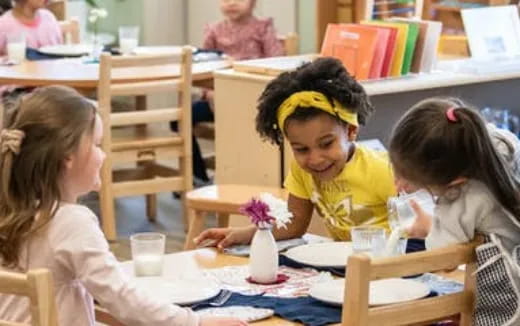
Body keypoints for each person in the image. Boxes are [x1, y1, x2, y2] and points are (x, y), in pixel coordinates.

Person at [0, 86, 247, 326]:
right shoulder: (70, 222)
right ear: (68, 157)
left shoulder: (11, 211)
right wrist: (197, 322)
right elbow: (122, 299)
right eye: (97, 145)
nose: (103, 155)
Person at [194, 57, 396, 248]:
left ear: (351, 130)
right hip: (347, 266)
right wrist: (241, 234)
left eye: (326, 144)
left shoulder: (383, 170)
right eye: (301, 149)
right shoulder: (302, 171)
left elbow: (420, 229)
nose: (315, 159)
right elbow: (295, 223)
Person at [389, 97, 520, 325]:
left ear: (454, 181)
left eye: (408, 180)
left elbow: (444, 259)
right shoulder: (497, 148)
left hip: (507, 306)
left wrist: (428, 227)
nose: (398, 186)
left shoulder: (462, 198)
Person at [177, 0, 284, 184]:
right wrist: (209, 94)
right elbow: (202, 64)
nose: (232, 3)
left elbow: (278, 64)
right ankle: (198, 177)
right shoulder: (214, 30)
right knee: (179, 118)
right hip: (217, 98)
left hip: (254, 100)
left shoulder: (262, 28)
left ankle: (258, 173)